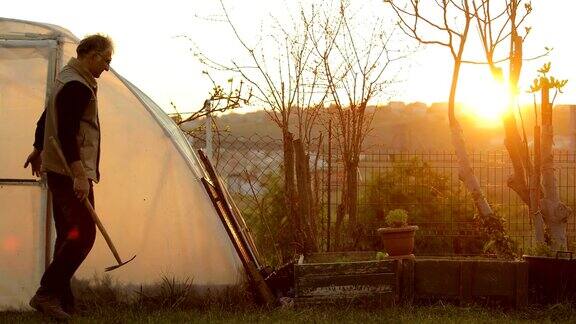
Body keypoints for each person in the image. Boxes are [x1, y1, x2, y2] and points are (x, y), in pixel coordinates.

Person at [23, 34, 113, 320]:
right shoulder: (78, 86)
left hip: (57, 167)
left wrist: (38, 148)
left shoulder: (66, 78)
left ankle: (62, 301)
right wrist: (80, 175)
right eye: (107, 61)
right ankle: (46, 294)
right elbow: (65, 132)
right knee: (84, 234)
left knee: (67, 234)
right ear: (93, 55)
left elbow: (46, 116)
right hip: (69, 170)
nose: (107, 68)